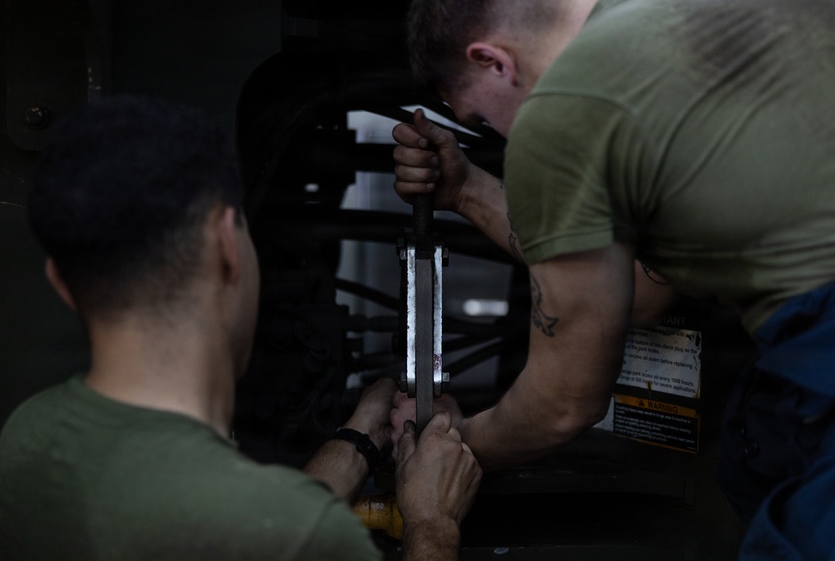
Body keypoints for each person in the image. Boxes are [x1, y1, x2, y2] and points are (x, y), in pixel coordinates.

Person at [390, 0, 835, 560]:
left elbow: (565, 402)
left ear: (492, 59)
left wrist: (444, 454)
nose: (505, 133)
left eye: (484, 117)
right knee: (751, 452)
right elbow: (636, 294)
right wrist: (466, 190)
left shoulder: (562, 107)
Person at [0, 96, 481, 561]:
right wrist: (432, 523)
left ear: (61, 284)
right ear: (227, 249)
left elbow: (264, 528)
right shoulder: (294, 533)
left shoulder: (26, 441)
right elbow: (270, 528)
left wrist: (362, 432)